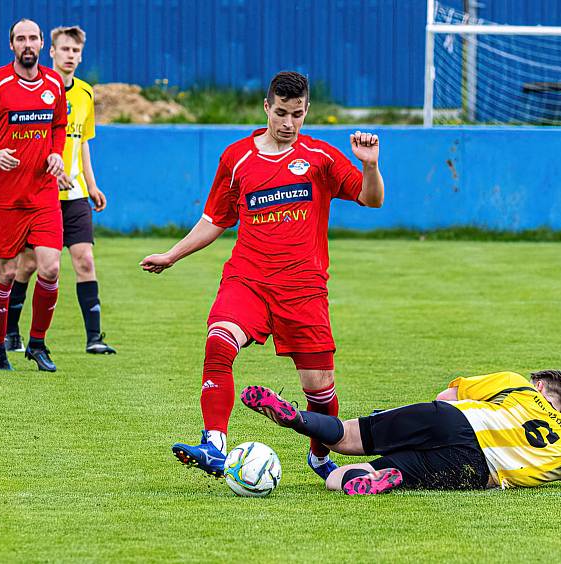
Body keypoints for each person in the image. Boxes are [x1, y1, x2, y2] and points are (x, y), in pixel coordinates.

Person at [140, 71, 385, 479]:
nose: (289, 124)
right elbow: (214, 219)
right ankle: (214, 445)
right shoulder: (236, 158)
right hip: (248, 280)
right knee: (219, 342)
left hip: (303, 289)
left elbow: (371, 198)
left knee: (320, 391)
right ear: (266, 108)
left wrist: (371, 166)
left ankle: (321, 458)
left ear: (307, 112)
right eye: (282, 113)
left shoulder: (321, 157)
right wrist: (172, 254)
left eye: (298, 115)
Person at [240, 370, 561, 495]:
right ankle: (393, 474)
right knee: (335, 481)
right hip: (476, 468)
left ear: (540, 385)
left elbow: (445, 394)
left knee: (346, 434)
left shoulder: (517, 384)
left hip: (454, 418)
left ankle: (298, 418)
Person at [0, 18, 67, 372]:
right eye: (21, 38)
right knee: (5, 272)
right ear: (11, 45)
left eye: (33, 38)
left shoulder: (53, 82)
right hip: (4, 198)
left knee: (50, 268)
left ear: (41, 44)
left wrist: (55, 153)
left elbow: (58, 125)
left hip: (43, 194)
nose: (28, 44)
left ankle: (37, 343)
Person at [5, 25, 116, 355]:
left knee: (85, 260)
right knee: (26, 265)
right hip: (40, 193)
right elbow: (32, 143)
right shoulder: (40, 89)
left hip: (76, 194)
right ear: (50, 51)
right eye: (64, 49)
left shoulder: (84, 93)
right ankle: (11, 332)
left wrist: (92, 185)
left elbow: (81, 143)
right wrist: (51, 176)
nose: (70, 55)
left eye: (75, 51)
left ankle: (94, 338)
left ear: (81, 56)